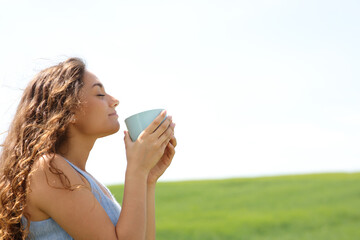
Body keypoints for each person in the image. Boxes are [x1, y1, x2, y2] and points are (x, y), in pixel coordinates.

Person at [0, 58, 177, 240]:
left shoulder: (84, 179)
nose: (114, 101)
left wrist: (147, 179)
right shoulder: (49, 170)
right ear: (68, 110)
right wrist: (137, 170)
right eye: (100, 94)